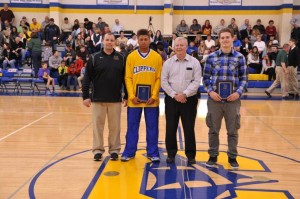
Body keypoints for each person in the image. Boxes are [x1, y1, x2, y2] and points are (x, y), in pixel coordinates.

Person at [203, 28, 247, 169]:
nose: (225, 40)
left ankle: (232, 156)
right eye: (222, 38)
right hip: (214, 100)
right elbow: (205, 79)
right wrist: (210, 92)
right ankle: (213, 156)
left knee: (233, 130)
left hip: (232, 100)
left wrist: (238, 93)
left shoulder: (240, 57)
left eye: (228, 37)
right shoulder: (211, 57)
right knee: (213, 129)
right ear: (219, 40)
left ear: (232, 38)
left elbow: (244, 79)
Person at [82, 33, 127, 161]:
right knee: (98, 126)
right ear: (103, 41)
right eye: (107, 40)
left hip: (115, 99)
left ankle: (114, 150)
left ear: (115, 42)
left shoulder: (121, 58)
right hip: (97, 99)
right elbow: (87, 78)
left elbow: (125, 79)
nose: (109, 42)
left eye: (111, 40)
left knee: (115, 127)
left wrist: (127, 95)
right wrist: (85, 96)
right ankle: (97, 150)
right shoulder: (94, 57)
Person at [121, 29, 162, 162]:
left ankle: (153, 152)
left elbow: (158, 78)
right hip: (134, 100)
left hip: (152, 100)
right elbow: (128, 78)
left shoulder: (157, 57)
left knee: (152, 127)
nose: (143, 42)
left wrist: (155, 95)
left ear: (150, 40)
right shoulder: (131, 56)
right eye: (141, 39)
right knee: (132, 126)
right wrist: (131, 96)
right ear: (137, 40)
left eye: (146, 39)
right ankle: (129, 152)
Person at [161, 37, 201, 164]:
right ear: (174, 47)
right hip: (171, 99)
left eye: (181, 45)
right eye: (177, 45)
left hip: (189, 100)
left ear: (186, 46)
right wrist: (174, 94)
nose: (179, 47)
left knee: (189, 128)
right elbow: (164, 81)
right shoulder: (168, 63)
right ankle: (171, 154)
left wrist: (184, 94)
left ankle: (191, 155)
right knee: (170, 127)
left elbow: (196, 81)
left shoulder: (194, 62)